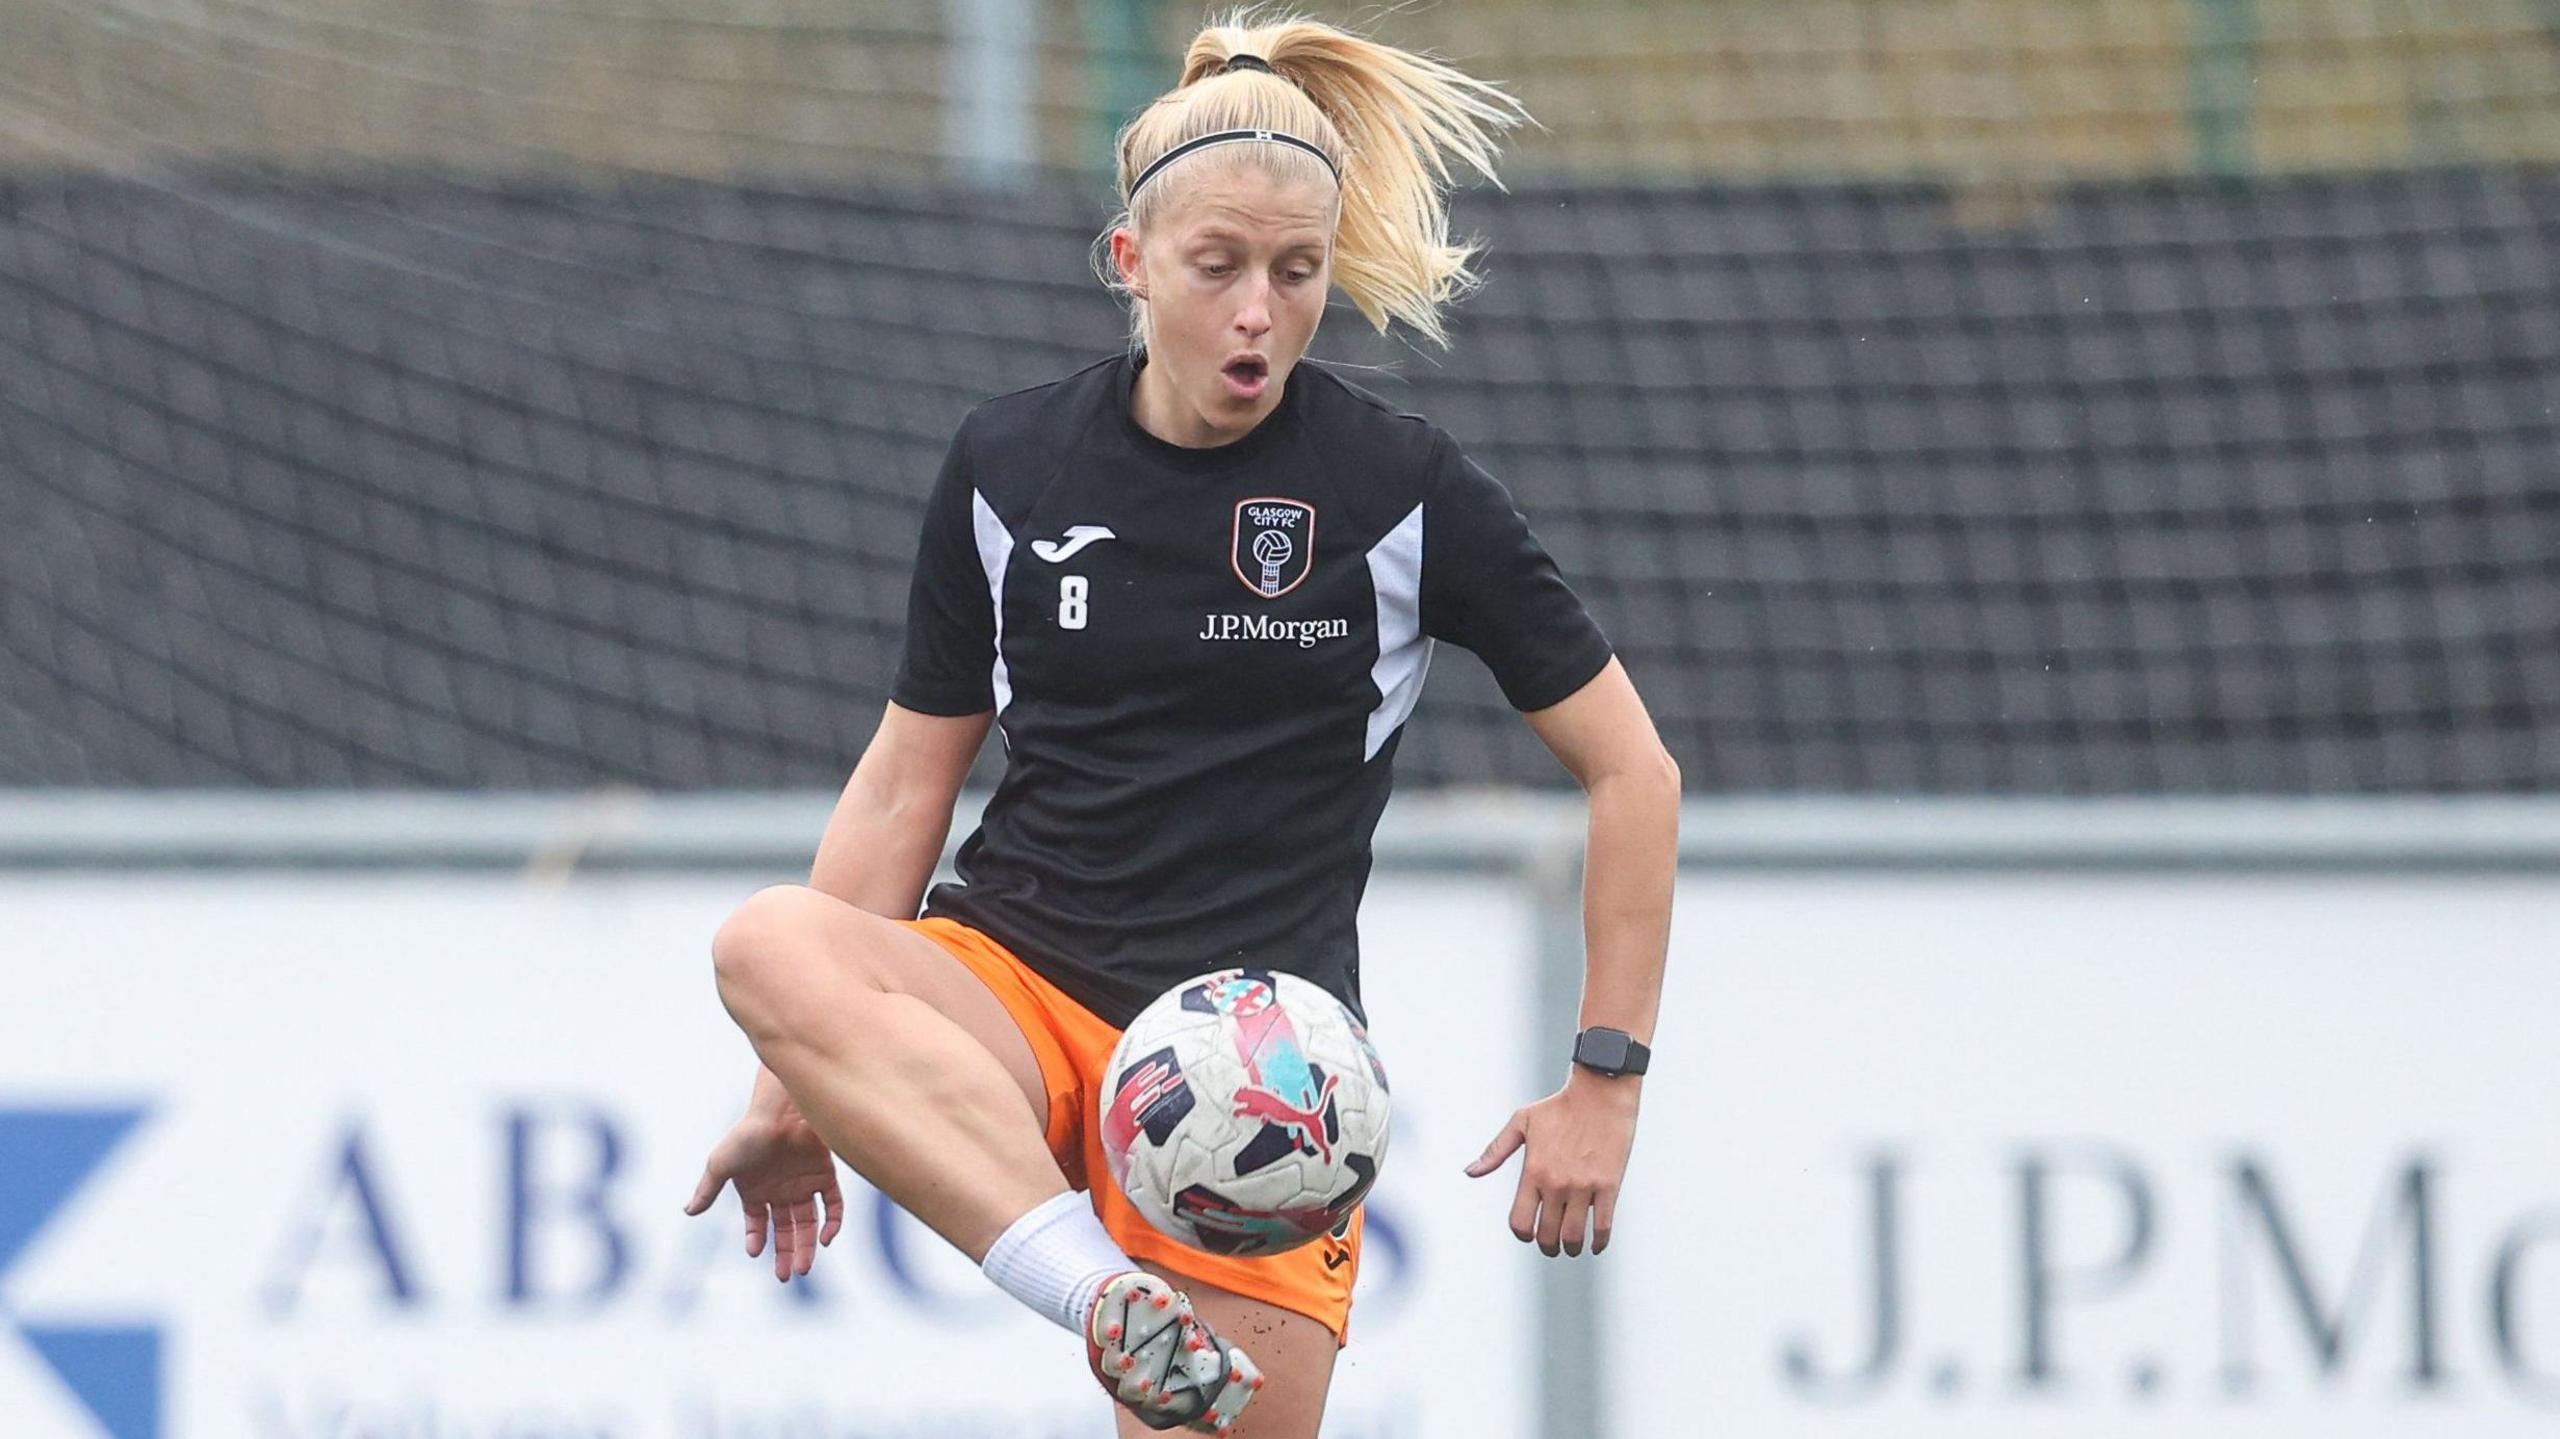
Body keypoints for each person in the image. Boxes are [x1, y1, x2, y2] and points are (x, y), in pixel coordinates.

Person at [684, 9, 1680, 1436]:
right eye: (1218, 269)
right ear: (1131, 263)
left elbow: (1634, 770)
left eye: (1298, 272)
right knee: (766, 941)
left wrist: (1607, 1084)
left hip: (1258, 1074)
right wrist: (792, 1099)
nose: (1260, 312)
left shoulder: (1399, 489)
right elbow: (910, 780)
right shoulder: (1012, 461)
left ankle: (1135, 1307)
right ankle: (1094, 1291)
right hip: (1016, 992)